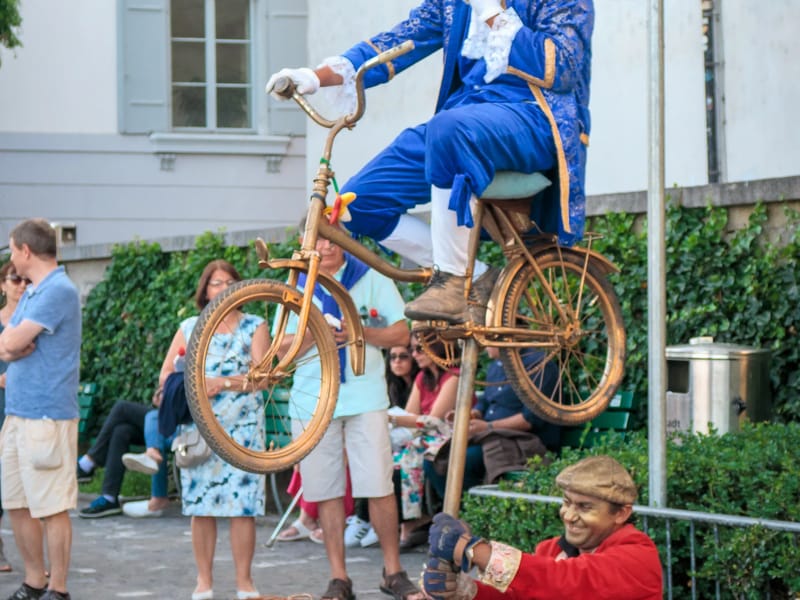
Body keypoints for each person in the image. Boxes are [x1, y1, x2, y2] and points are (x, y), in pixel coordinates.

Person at [267, 0, 594, 324]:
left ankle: (452, 279)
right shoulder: (453, 4)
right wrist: (314, 76)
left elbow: (561, 67)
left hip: (534, 118)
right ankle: (477, 276)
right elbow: (395, 43)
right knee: (360, 203)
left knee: (448, 127)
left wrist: (493, 14)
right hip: (460, 121)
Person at [278, 233, 424, 600]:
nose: (326, 247)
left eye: (333, 239)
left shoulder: (372, 276)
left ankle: (393, 571)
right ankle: (338, 578)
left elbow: (402, 332)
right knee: (325, 490)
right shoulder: (294, 282)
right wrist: (315, 333)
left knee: (379, 485)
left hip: (365, 397)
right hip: (313, 400)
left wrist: (359, 332)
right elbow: (280, 348)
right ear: (303, 241)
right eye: (318, 239)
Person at [164, 259, 269, 600]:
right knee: (200, 506)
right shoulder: (190, 326)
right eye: (215, 283)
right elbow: (166, 375)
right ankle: (204, 581)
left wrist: (221, 382)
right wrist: (174, 387)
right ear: (205, 290)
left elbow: (262, 377)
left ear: (239, 288)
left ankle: (244, 582)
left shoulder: (255, 326)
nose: (221, 289)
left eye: (228, 282)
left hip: (244, 428)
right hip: (200, 430)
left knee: (244, 508)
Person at [423, 455, 663, 599]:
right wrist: (464, 592)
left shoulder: (639, 555)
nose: (569, 516)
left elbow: (568, 584)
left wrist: (475, 550)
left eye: (584, 507)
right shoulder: (551, 550)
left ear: (621, 513)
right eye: (567, 503)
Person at [0, 219, 82, 600]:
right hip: (18, 413)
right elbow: (6, 345)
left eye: (13, 249)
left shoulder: (58, 289)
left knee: (51, 506)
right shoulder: (33, 292)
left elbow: (12, 341)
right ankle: (35, 582)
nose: (11, 257)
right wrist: (12, 346)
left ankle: (58, 588)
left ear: (26, 251)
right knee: (17, 503)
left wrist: (12, 346)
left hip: (47, 416)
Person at [423, 346, 561, 499]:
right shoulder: (496, 365)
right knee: (434, 460)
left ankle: (469, 512)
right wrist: (471, 414)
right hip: (490, 436)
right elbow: (486, 402)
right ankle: (457, 513)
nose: (483, 345)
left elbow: (530, 419)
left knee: (463, 461)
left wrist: (487, 427)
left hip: (521, 441)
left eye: (488, 338)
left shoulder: (538, 365)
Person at [345, 343, 421, 549]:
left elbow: (413, 420)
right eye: (393, 357)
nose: (397, 361)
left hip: (414, 436)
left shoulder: (418, 381)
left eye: (403, 357)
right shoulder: (389, 384)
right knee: (366, 456)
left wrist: (389, 419)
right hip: (398, 435)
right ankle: (364, 517)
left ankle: (378, 521)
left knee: (381, 460)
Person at [390, 336, 462, 551]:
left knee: (409, 454)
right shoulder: (423, 377)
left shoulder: (454, 378)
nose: (414, 355)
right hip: (425, 436)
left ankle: (415, 521)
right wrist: (403, 419)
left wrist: (391, 419)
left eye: (420, 349)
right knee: (393, 457)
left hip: (447, 436)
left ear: (437, 349)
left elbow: (435, 420)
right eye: (413, 349)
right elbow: (413, 416)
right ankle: (410, 521)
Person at [0, 261, 31, 574]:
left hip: (26, 407)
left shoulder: (34, 321)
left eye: (26, 279)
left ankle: (34, 558)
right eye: (14, 279)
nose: (21, 284)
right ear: (3, 284)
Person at [76, 401, 154, 518]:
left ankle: (89, 462)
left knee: (122, 408)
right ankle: (109, 498)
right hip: (160, 417)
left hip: (177, 422)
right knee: (121, 431)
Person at [119, 407, 174, 518]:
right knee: (121, 431)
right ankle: (108, 496)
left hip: (195, 428)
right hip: (181, 424)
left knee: (153, 416)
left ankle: (89, 463)